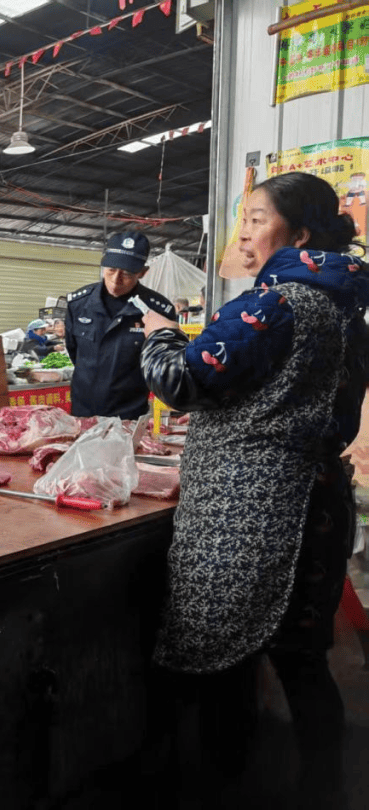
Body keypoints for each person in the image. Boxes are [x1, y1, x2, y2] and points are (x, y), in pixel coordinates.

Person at [139, 172, 369, 806]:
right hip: (317, 502)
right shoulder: (349, 312)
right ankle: (325, 791)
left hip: (248, 513)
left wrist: (160, 335)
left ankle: (225, 787)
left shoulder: (275, 304)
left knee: (217, 653)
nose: (242, 233)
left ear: (300, 235)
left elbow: (180, 382)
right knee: (302, 661)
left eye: (257, 219)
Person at [64, 231, 175, 418]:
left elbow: (162, 364)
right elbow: (74, 351)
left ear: (142, 272)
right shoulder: (79, 304)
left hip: (129, 414)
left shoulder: (158, 310)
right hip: (83, 413)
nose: (116, 280)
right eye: (111, 270)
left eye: (127, 274)